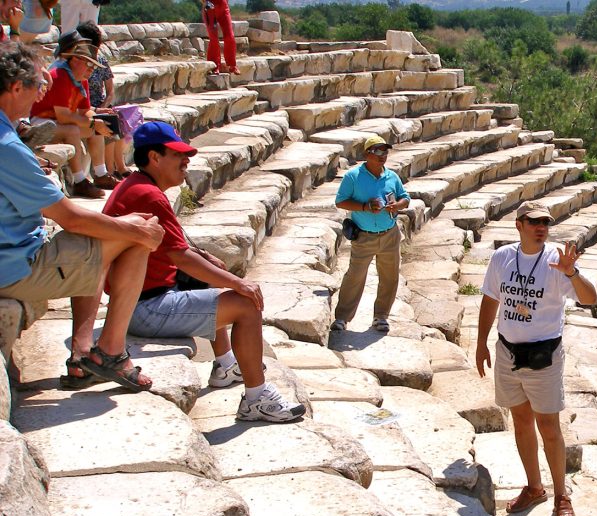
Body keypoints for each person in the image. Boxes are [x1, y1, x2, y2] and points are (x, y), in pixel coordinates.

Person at [91, 121, 305, 423]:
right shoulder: (149, 195)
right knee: (246, 305)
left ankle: (225, 364)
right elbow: (181, 257)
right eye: (178, 155)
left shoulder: (137, 186)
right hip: (145, 309)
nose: (186, 162)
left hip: (137, 298)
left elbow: (178, 251)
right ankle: (256, 399)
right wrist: (239, 284)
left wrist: (208, 261)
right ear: (154, 157)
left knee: (209, 272)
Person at [0, 41, 162, 392]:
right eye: (36, 86)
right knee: (137, 237)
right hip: (13, 266)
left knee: (104, 238)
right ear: (15, 87)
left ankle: (84, 355)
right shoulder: (5, 147)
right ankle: (110, 352)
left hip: (10, 252)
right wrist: (132, 226)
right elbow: (70, 218)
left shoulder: (8, 137)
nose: (39, 95)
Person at [475, 201, 597, 516]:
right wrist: (480, 343)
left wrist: (572, 272)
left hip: (544, 357)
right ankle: (534, 487)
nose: (541, 227)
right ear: (519, 224)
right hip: (508, 353)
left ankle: (562, 495)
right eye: (534, 222)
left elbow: (590, 298)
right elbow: (490, 299)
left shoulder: (557, 259)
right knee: (521, 421)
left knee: (549, 426)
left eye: (545, 222)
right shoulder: (502, 258)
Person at [331, 134, 409, 333]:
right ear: (367, 154)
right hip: (364, 236)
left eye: (385, 151)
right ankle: (342, 318)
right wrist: (365, 207)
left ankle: (381, 316)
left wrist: (396, 205)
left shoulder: (392, 176)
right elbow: (340, 201)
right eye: (377, 151)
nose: (382, 155)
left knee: (389, 277)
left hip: (389, 234)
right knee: (355, 276)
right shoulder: (353, 177)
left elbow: (405, 198)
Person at [30, 32, 115, 198]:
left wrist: (99, 121)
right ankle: (79, 181)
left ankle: (100, 174)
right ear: (75, 60)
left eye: (93, 66)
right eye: (88, 65)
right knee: (73, 130)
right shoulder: (60, 76)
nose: (92, 69)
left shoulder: (82, 80)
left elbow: (84, 111)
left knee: (96, 128)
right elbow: (64, 117)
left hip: (56, 123)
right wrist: (92, 122)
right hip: (40, 123)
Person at [77, 21, 125, 180]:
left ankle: (119, 167)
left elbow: (110, 91)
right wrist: (98, 110)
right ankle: (109, 171)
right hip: (88, 108)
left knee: (114, 117)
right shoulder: (76, 66)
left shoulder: (102, 61)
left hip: (99, 104)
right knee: (107, 121)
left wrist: (103, 106)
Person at [202, 0, 237, 75]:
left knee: (230, 36)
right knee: (214, 38)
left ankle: (232, 65)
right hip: (210, 8)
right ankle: (214, 66)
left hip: (223, 7)